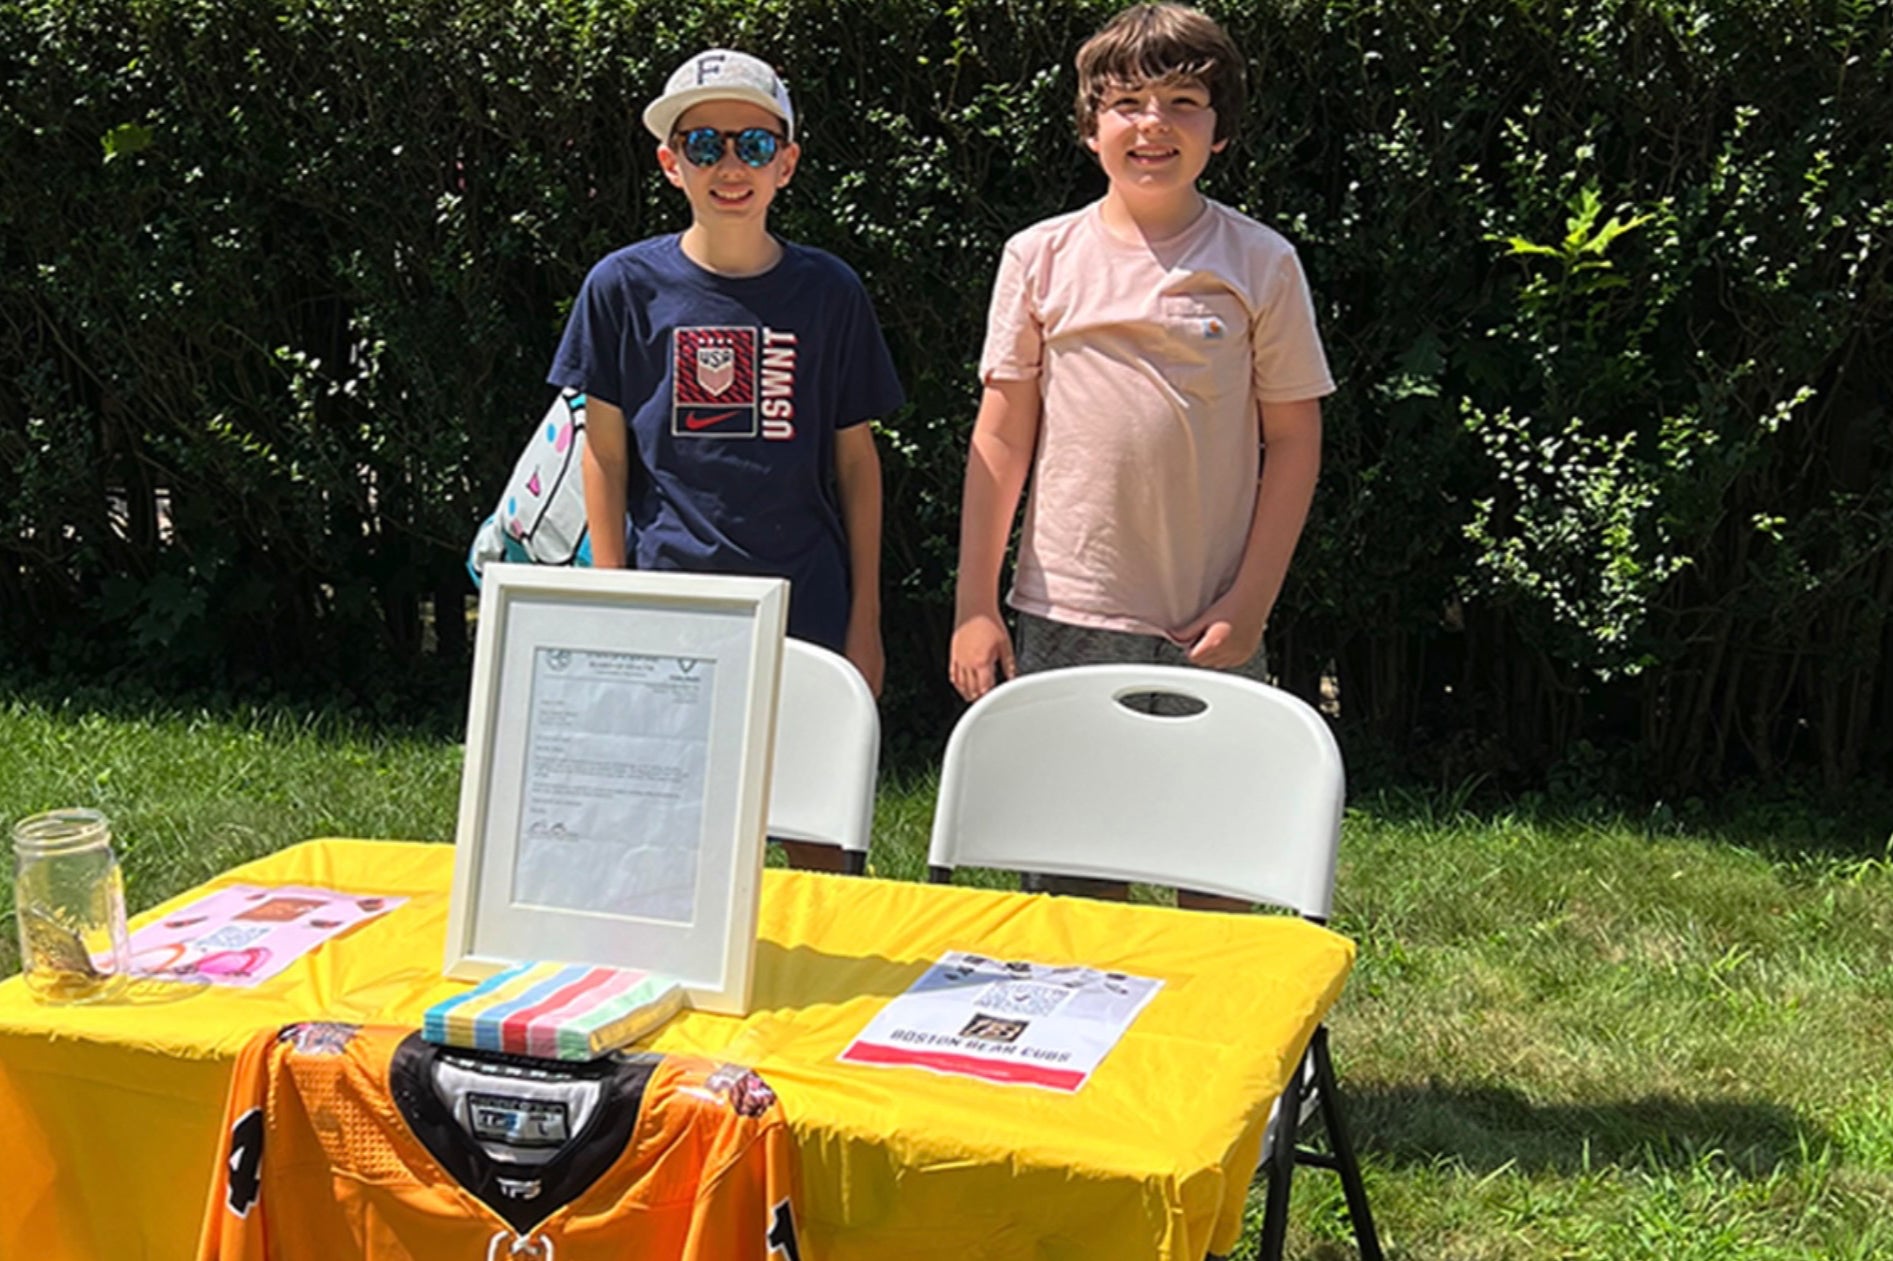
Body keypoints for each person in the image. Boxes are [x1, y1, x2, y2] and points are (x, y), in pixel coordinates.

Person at [947, 4, 1334, 909]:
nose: (1151, 123)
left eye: (1182, 100)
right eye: (1124, 102)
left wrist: (1249, 605)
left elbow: (1295, 439)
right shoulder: (1039, 257)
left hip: (1209, 623)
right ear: (1089, 127)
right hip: (1064, 613)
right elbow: (1000, 435)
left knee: (1221, 875)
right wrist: (973, 604)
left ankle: (1215, 1047)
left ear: (1221, 128)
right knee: (1068, 880)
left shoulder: (1260, 262)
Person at [549, 49, 904, 872]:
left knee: (824, 850)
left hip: (806, 605)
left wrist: (867, 620)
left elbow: (857, 463)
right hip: (671, 602)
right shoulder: (621, 286)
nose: (730, 165)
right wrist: (615, 600)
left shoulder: (830, 291)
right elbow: (602, 454)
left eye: (752, 144)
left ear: (788, 162)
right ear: (671, 164)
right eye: (704, 145)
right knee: (676, 849)